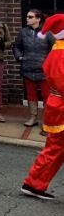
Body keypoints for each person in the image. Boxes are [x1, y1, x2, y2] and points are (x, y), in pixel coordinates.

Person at [21, 14, 64, 200]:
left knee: (55, 149)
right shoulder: (60, 54)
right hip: (61, 107)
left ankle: (34, 184)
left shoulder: (56, 51)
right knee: (54, 148)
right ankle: (33, 184)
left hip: (58, 107)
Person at [13, 9, 55, 131]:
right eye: (27, 16)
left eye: (30, 17)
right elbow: (16, 46)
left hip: (43, 70)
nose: (27, 19)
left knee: (47, 96)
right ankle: (33, 117)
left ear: (38, 19)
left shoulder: (48, 33)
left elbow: (54, 49)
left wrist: (48, 62)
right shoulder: (23, 32)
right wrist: (20, 57)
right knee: (31, 95)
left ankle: (47, 120)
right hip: (28, 68)